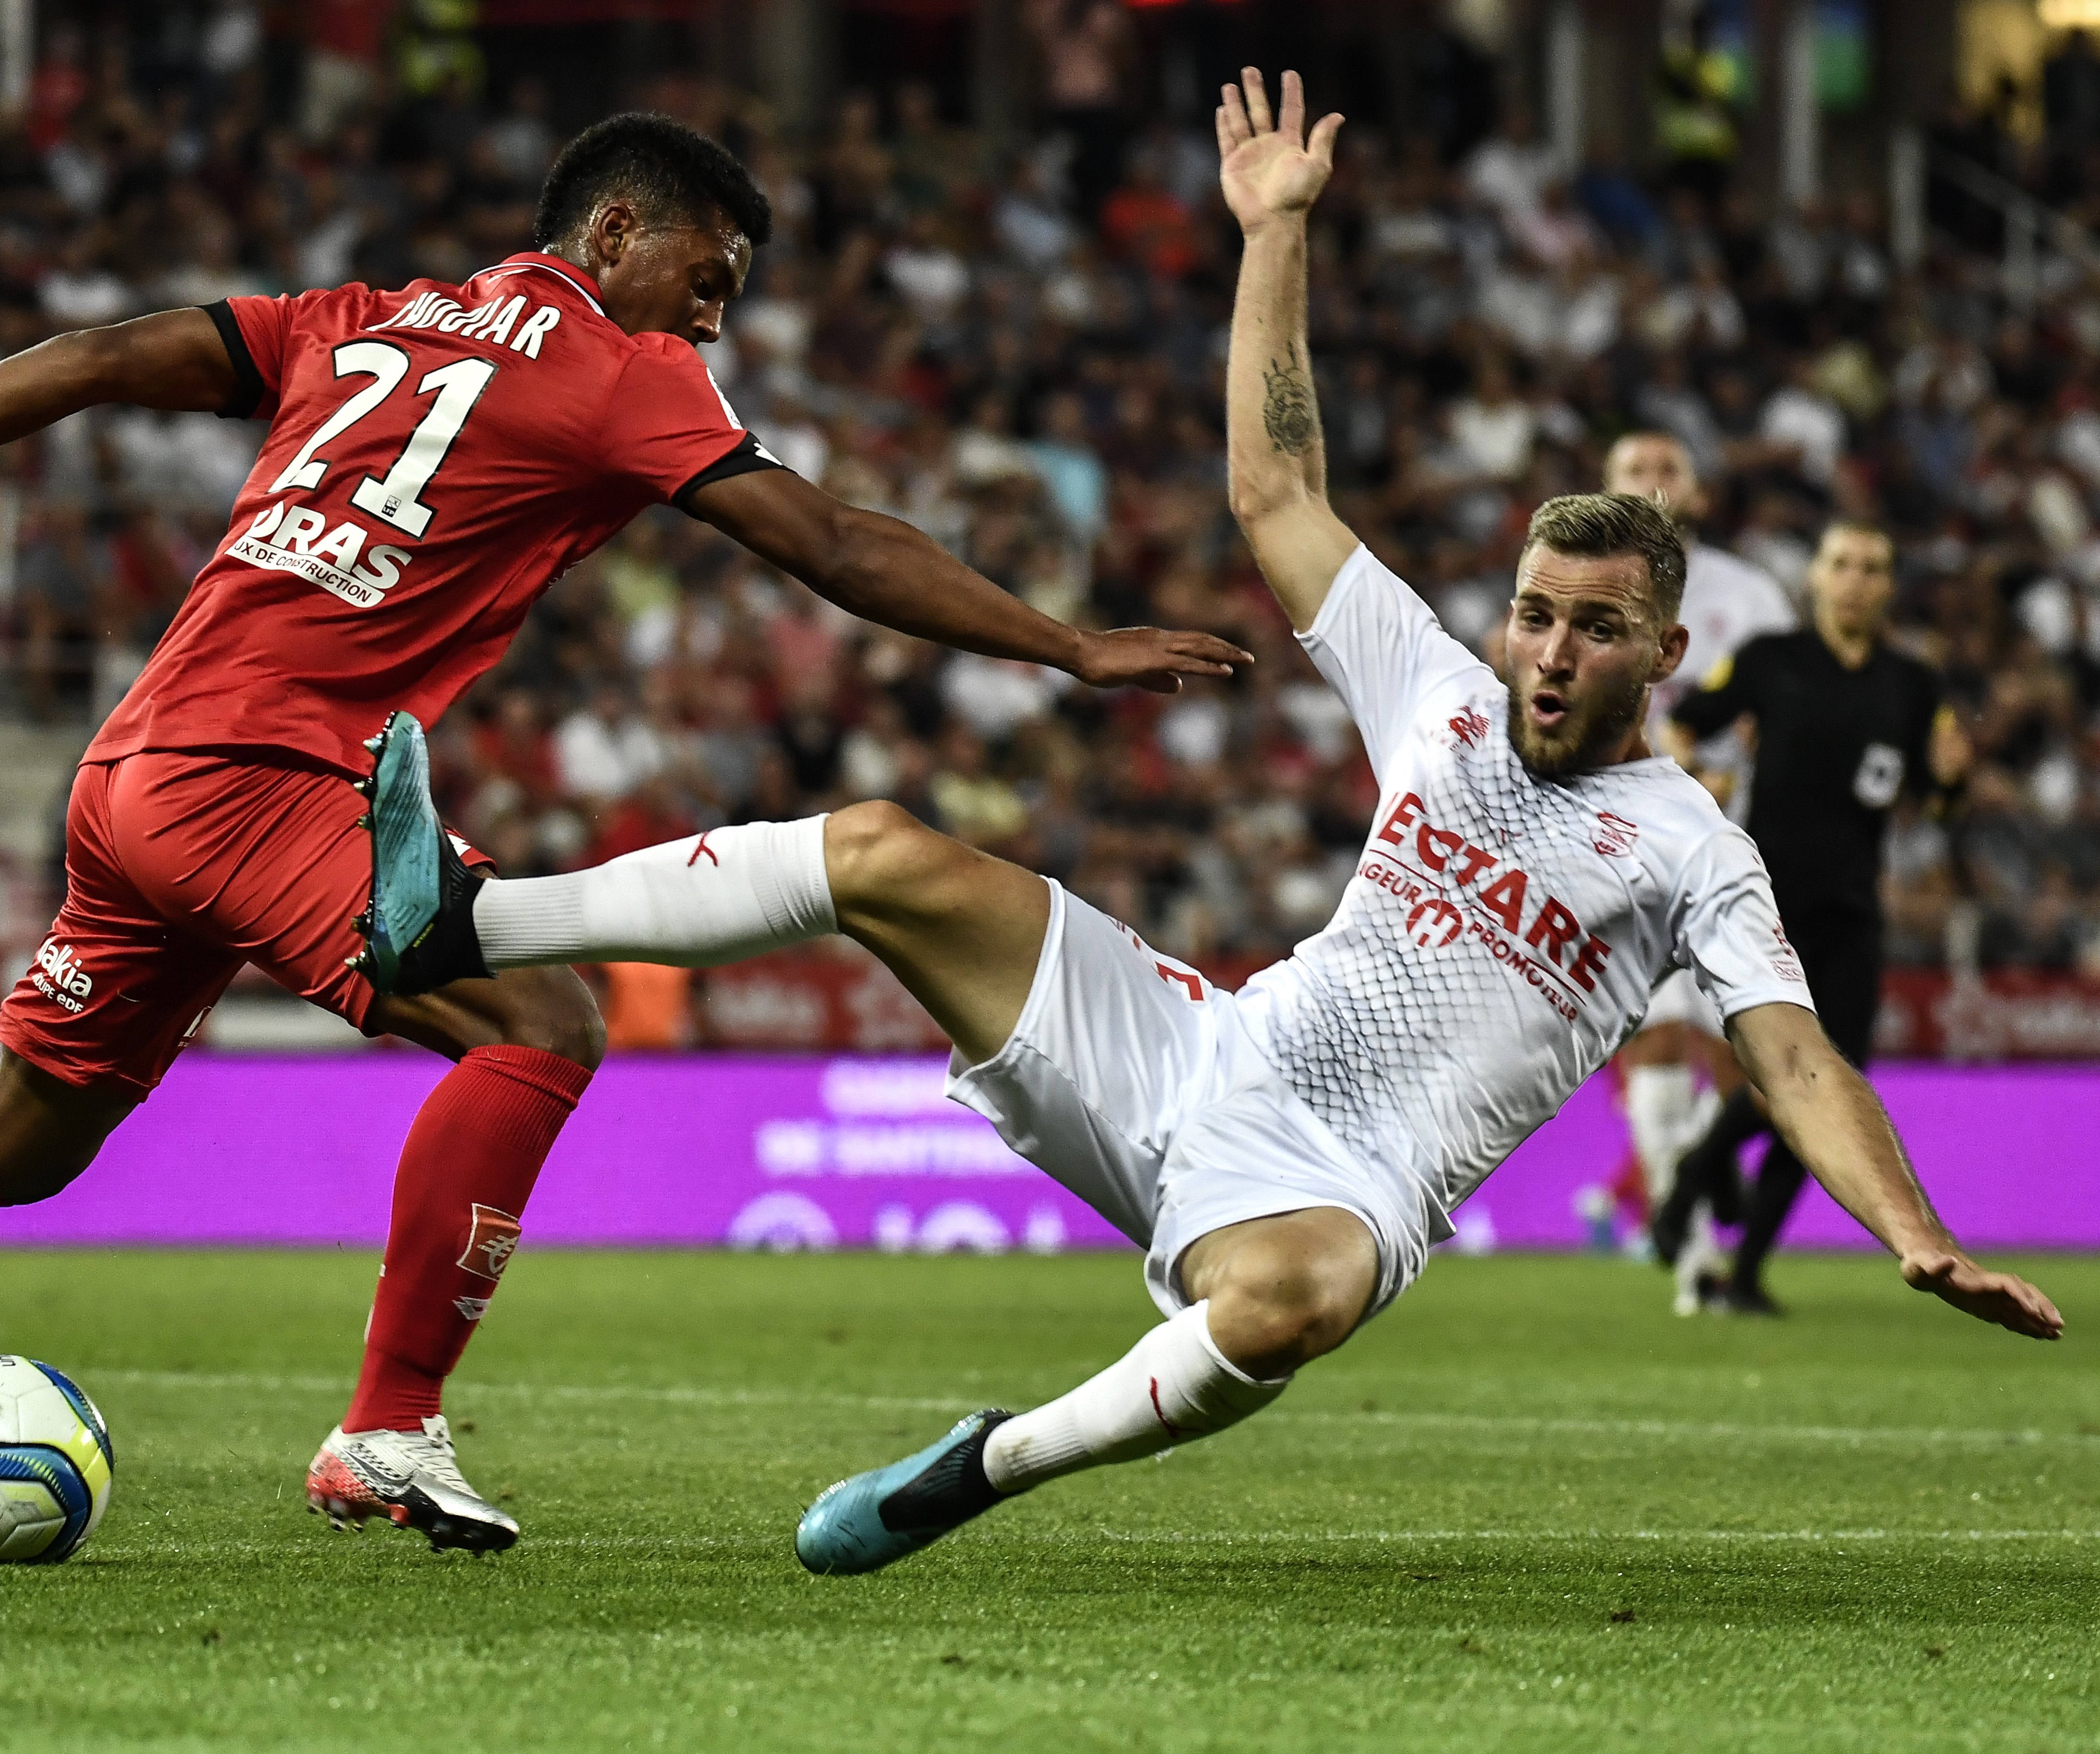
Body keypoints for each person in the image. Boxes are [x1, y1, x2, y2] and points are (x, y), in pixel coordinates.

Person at [349, 70, 2059, 1575]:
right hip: (1193, 1050)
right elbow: (1275, 490)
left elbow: (1795, 1055)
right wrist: (1273, 235)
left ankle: (980, 1464)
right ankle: (465, 920)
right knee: (880, 848)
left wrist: (1915, 1235)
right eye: (1536, 609)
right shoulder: (1445, 692)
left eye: (1593, 627)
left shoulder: (1689, 843)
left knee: (1297, 1305)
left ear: (1662, 653)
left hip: (1338, 1189)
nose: (1548, 647)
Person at [0, 114, 1244, 1544]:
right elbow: (837, 543)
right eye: (704, 284)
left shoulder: (356, 316)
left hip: (135, 776)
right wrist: (1067, 644)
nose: (708, 326)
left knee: (21, 1139)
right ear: (622, 231)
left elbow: (111, 351)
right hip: (263, 776)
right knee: (538, 1016)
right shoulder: (621, 374)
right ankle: (388, 1427)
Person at [1649, 521, 1970, 1315]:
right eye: (1840, 565)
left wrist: (1953, 785)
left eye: (1871, 566)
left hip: (1852, 909)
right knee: (1789, 1076)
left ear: (1888, 585)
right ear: (1816, 579)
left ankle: (1734, 1243)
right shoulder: (1771, 661)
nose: (1854, 579)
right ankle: (1706, 1182)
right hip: (1762, 902)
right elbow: (1687, 720)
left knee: (1834, 1086)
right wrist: (1698, 780)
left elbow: (1933, 799)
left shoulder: (1910, 683)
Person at [1597, 431, 1795, 1301]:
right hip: (1614, 847)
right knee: (1654, 1040)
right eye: (1633, 472)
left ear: (1700, 492)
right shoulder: (1579, 583)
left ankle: (1700, 1196)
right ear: (1605, 490)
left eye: (1667, 467)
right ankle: (1687, 1254)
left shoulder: (1749, 598)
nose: (1653, 483)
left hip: (1727, 843)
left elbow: (1791, 711)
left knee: (1731, 1048)